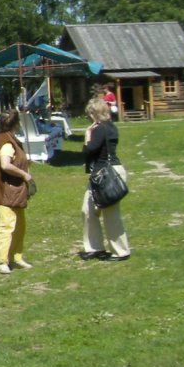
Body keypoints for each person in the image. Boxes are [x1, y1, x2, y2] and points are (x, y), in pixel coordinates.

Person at [0, 108, 34, 274]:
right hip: (5, 190)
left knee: (20, 225)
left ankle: (17, 258)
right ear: (16, 125)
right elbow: (5, 164)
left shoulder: (10, 139)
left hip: (15, 190)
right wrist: (25, 174)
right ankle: (2, 261)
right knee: (6, 225)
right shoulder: (6, 142)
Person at [80, 98, 131, 262]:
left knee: (110, 214)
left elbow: (89, 150)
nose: (89, 118)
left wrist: (87, 136)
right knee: (88, 211)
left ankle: (121, 251)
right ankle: (95, 247)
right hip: (103, 173)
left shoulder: (100, 129)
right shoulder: (110, 126)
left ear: (95, 113)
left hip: (106, 174)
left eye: (90, 114)